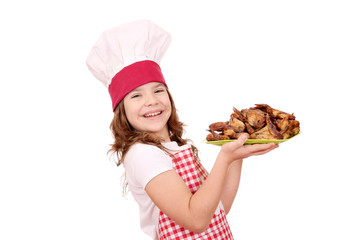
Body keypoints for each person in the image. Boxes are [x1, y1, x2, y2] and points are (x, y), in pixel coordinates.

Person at [86, 20, 278, 240]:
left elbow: (217, 209)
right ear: (121, 110)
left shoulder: (174, 148)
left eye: (158, 90)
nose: (151, 101)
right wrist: (224, 159)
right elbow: (196, 220)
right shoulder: (143, 154)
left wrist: (237, 154)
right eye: (136, 95)